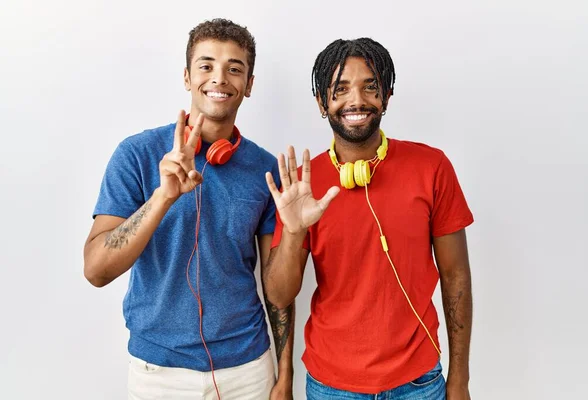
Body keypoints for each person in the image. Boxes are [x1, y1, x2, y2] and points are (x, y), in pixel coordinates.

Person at [84, 18, 293, 400]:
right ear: (186, 77)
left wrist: (285, 374)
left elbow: (277, 289)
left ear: (249, 84)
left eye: (235, 68)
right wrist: (163, 197)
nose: (220, 78)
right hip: (158, 374)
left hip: (248, 370)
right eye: (206, 65)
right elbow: (96, 270)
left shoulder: (266, 170)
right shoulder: (137, 154)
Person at [263, 37, 474, 400]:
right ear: (321, 102)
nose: (356, 100)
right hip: (332, 386)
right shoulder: (301, 185)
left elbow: (456, 275)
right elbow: (279, 295)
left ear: (386, 97)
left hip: (419, 383)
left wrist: (458, 380)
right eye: (340, 89)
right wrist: (295, 231)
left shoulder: (432, 167)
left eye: (369, 87)